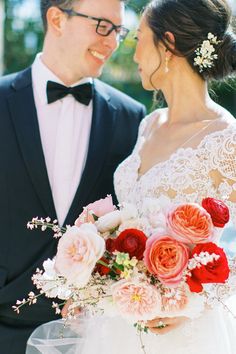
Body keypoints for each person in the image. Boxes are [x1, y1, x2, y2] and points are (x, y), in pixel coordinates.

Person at [26, 0, 236, 353]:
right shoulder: (148, 125)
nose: (133, 53)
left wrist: (195, 302)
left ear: (167, 46)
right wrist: (93, 280)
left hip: (183, 334)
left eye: (139, 38)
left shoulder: (226, 138)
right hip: (116, 325)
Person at [0, 0, 146, 353]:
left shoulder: (132, 116)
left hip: (93, 335)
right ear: (56, 19)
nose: (112, 43)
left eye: (119, 30)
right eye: (102, 26)